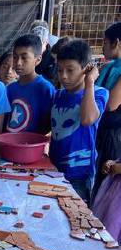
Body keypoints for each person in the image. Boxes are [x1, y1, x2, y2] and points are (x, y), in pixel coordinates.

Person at [49, 40, 109, 204]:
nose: (64, 76)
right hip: (53, 168)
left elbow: (87, 119)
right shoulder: (57, 95)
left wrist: (89, 82)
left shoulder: (99, 94)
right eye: (60, 70)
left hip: (79, 174)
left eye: (70, 70)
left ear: (86, 68)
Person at [92, 22, 121, 202]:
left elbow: (111, 104)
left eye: (105, 42)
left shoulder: (114, 68)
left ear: (116, 42)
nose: (103, 46)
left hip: (112, 132)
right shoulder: (111, 66)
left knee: (107, 179)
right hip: (105, 129)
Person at [6, 34, 55, 134]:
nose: (18, 62)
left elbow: (49, 124)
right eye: (15, 57)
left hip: (33, 145)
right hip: (9, 144)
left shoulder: (45, 88)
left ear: (38, 60)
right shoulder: (9, 89)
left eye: (24, 58)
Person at [92, 159, 121, 244]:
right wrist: (111, 163)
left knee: (112, 229)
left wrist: (115, 167)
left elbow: (116, 168)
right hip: (114, 193)